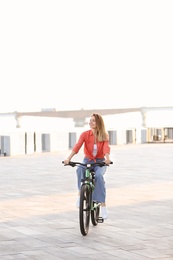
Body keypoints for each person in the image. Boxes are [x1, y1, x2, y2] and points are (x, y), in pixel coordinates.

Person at [63, 113, 111, 220]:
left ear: (98, 122)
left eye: (93, 120)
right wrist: (68, 158)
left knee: (98, 175)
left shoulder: (104, 135)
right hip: (87, 160)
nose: (90, 122)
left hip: (100, 162)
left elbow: (106, 148)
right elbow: (77, 146)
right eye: (90, 120)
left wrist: (107, 159)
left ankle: (103, 206)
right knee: (79, 169)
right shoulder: (85, 134)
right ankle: (80, 193)